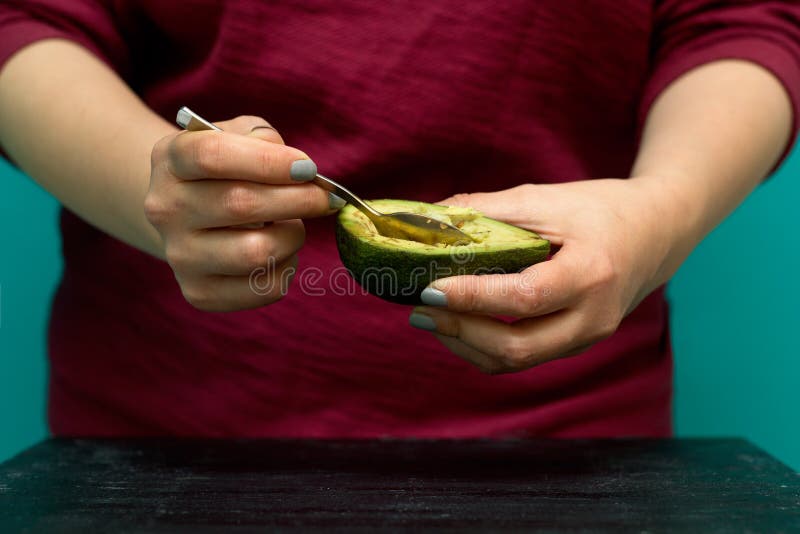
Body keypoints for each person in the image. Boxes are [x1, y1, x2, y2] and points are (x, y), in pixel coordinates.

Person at [0, 1, 797, 438]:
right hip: (165, 440)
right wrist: (152, 180)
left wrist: (661, 209)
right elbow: (28, 19)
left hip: (568, 446)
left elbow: (741, 20)